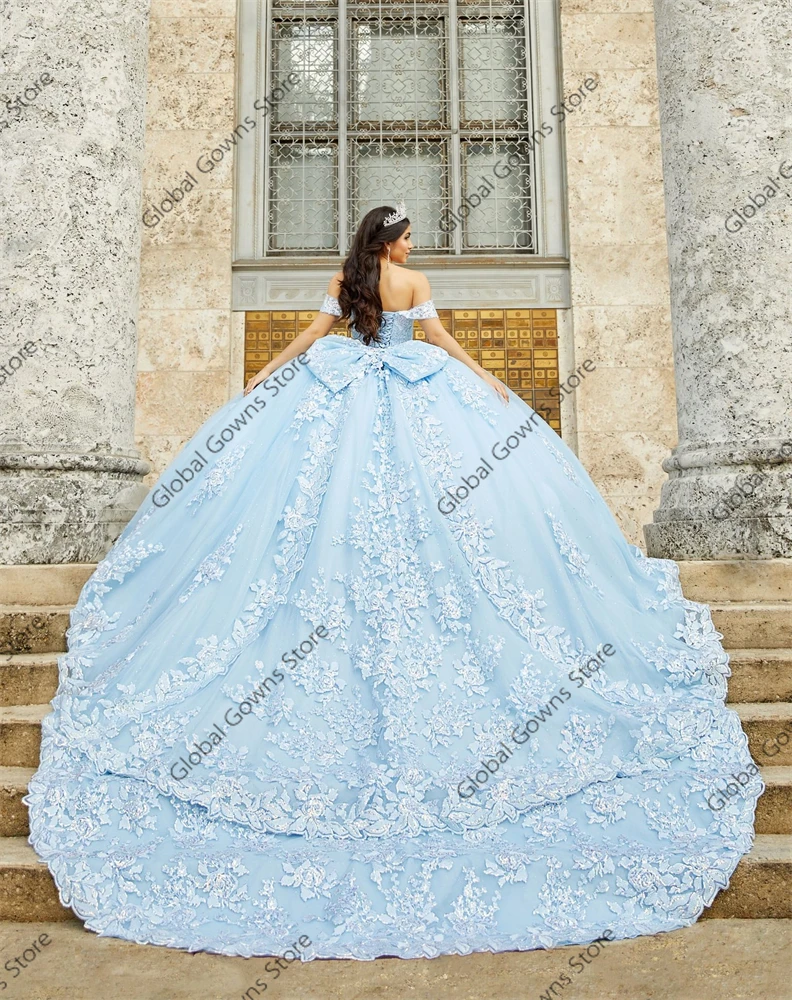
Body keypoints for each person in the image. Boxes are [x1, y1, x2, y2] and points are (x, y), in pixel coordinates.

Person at [27, 202, 761, 960]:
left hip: (337, 400)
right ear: (389, 241)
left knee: (324, 515)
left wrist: (262, 379)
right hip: (419, 405)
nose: (413, 244)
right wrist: (489, 382)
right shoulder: (412, 282)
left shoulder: (348, 280)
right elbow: (439, 340)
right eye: (406, 235)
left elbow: (310, 339)